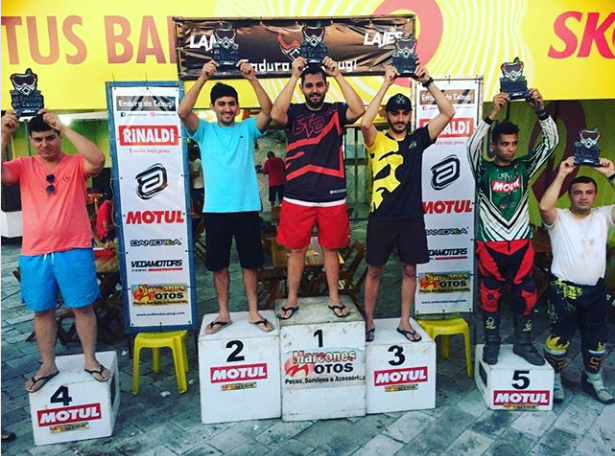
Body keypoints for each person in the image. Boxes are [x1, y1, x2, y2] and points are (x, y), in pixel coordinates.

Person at [1, 109, 110, 392]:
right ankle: (47, 364)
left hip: (74, 248)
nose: (44, 144)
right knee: (41, 310)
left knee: (82, 307)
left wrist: (63, 125)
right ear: (31, 140)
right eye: (38, 139)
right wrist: (3, 135)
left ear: (59, 137)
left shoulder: (75, 163)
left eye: (50, 137)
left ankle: (90, 360)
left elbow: (98, 160)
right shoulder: (24, 165)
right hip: (35, 252)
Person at [178, 60, 274, 334]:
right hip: (216, 211)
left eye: (232, 103)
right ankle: (223, 313)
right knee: (218, 266)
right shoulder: (204, 131)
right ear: (213, 107)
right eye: (222, 104)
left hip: (246, 209)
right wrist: (202, 77)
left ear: (238, 107)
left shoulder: (247, 128)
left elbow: (268, 111)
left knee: (251, 263)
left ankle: (254, 312)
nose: (227, 108)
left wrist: (252, 77)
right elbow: (183, 111)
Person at [361, 65, 456, 342]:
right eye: (395, 113)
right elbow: (365, 123)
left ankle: (404, 322)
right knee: (374, 270)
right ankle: (369, 321)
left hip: (411, 218)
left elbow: (448, 112)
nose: (400, 118)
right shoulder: (377, 140)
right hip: (381, 217)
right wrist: (386, 83)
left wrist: (428, 81)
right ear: (387, 115)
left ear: (410, 115)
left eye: (404, 113)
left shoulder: (418, 139)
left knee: (410, 270)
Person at [467, 90, 559, 366]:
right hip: (490, 245)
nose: (510, 148)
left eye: (514, 144)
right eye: (505, 144)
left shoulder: (523, 167)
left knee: (526, 296)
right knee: (489, 295)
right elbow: (471, 147)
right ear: (494, 145)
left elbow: (551, 143)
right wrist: (493, 114)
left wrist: (540, 110)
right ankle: (492, 342)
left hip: (520, 245)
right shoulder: (482, 170)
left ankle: (524, 343)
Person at [271, 56, 365, 320]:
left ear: (326, 87)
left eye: (319, 85)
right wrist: (294, 75)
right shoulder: (294, 112)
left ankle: (334, 298)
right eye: (309, 85)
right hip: (297, 196)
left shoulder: (336, 111)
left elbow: (359, 109)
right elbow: (275, 114)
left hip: (331, 196)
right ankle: (292, 298)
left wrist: (338, 74)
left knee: (331, 249)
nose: (314, 90)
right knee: (296, 250)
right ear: (303, 88)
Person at [539, 156, 615, 404]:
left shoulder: (603, 215)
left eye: (589, 192)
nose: (583, 197)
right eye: (578, 192)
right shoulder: (559, 218)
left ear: (595, 196)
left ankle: (593, 381)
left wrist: (610, 174)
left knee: (597, 342)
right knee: (558, 340)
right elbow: (544, 207)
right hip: (563, 290)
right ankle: (554, 381)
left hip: (595, 291)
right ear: (570, 195)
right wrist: (562, 174)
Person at [188, 143, 205, 213]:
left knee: (198, 200)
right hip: (200, 184)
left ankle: (200, 212)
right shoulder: (199, 161)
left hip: (197, 185)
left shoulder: (196, 162)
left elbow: (195, 174)